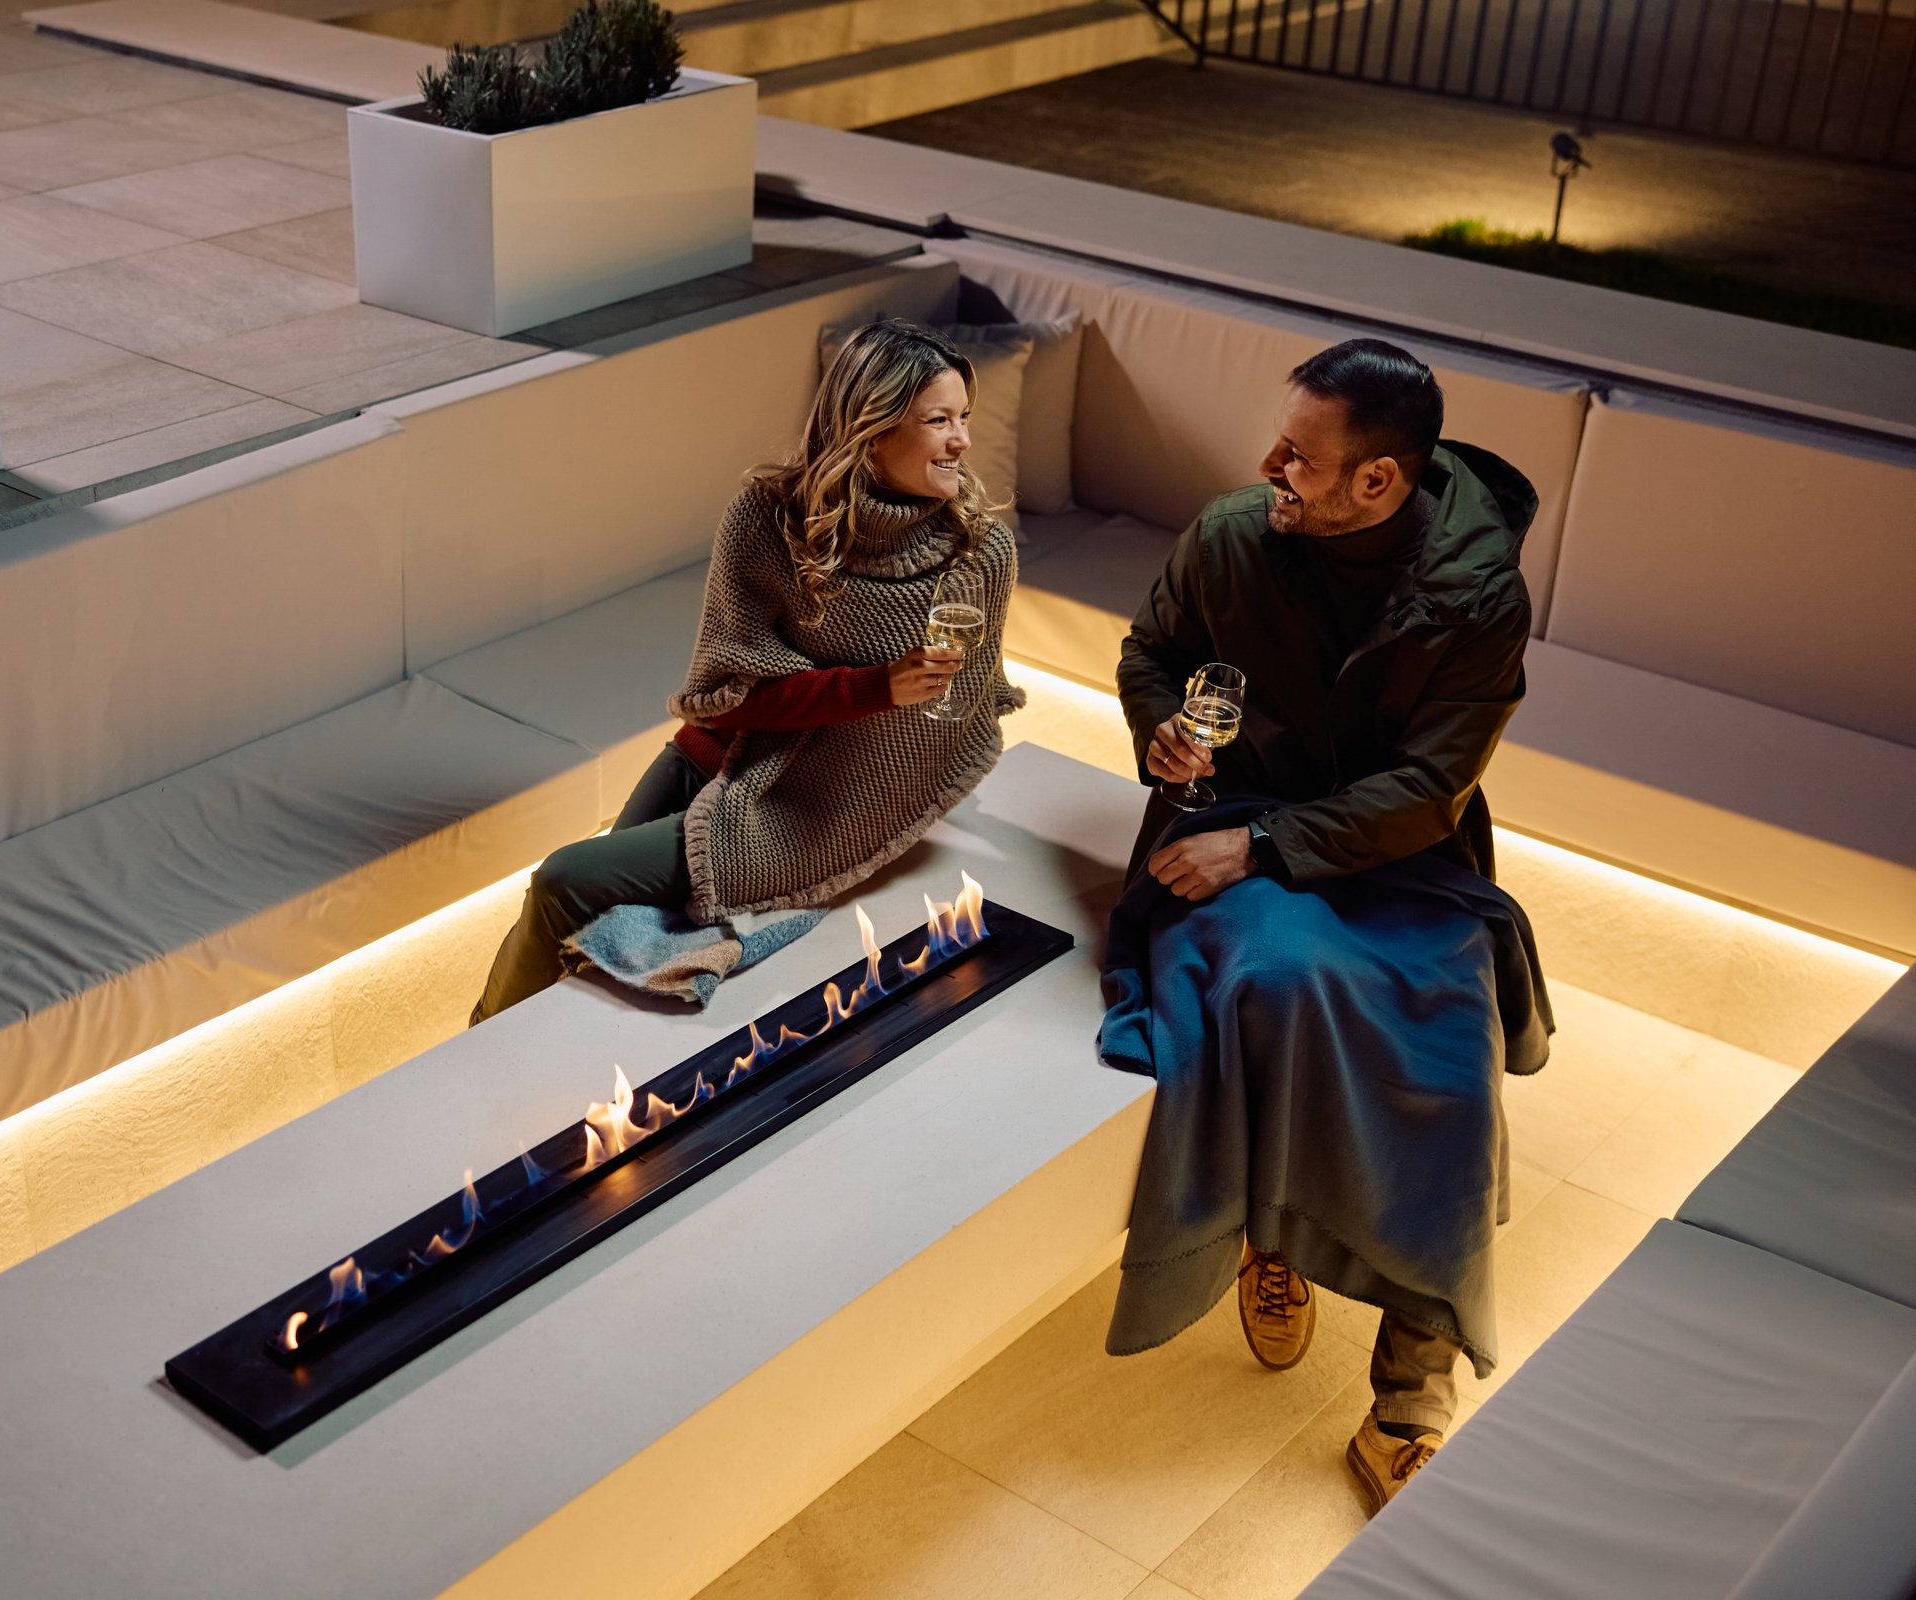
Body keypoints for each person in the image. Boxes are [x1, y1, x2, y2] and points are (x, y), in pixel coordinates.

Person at [1109, 338, 1544, 1516]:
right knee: (1275, 986)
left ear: (1379, 482)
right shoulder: (1233, 534)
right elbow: (1152, 650)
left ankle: (1410, 1391)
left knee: (1449, 1057)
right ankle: (1275, 1236)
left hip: (1397, 856)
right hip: (1233, 820)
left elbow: (1427, 791)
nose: (1269, 468)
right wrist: (1163, 732)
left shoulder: (1481, 595)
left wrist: (1257, 849)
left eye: (1298, 457)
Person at [470, 318, 1024, 1023]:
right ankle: (492, 1041)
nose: (962, 441)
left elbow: (942, 728)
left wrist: (894, 717)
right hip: (706, 762)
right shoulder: (767, 518)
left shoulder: (979, 552)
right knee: (586, 923)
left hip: (801, 807)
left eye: (964, 418)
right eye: (939, 420)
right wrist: (873, 687)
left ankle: (483, 1038)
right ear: (873, 428)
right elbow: (724, 698)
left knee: (561, 882)